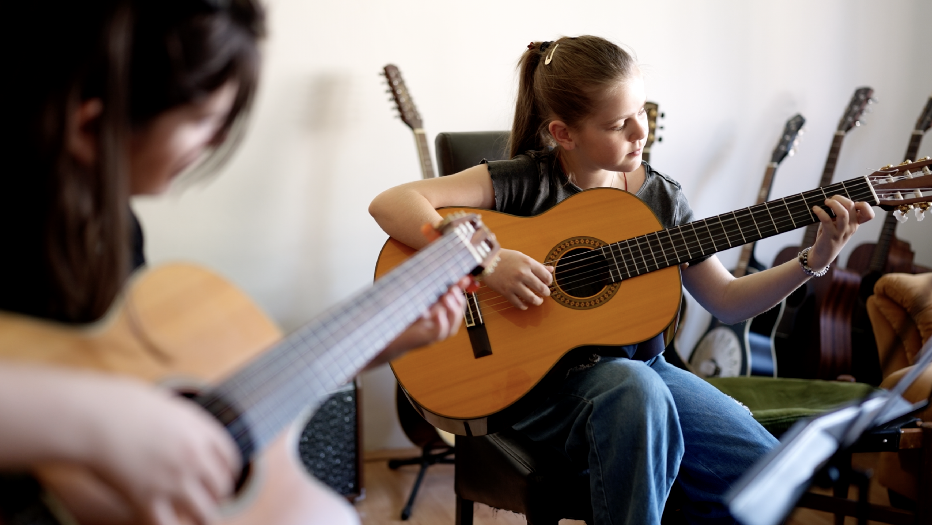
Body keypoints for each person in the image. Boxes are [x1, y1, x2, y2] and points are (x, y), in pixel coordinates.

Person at [369, 35, 875, 524]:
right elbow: (391, 203)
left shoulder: (660, 199)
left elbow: (727, 300)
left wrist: (816, 258)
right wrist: (483, 260)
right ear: (565, 133)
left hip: (644, 371)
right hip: (532, 385)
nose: (640, 133)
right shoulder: (527, 179)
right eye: (617, 124)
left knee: (764, 475)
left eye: (642, 113)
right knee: (635, 391)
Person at [0, 1, 469, 524]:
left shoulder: (109, 227)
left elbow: (192, 393)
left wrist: (383, 343)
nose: (218, 141)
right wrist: (103, 424)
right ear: (90, 128)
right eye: (203, 119)